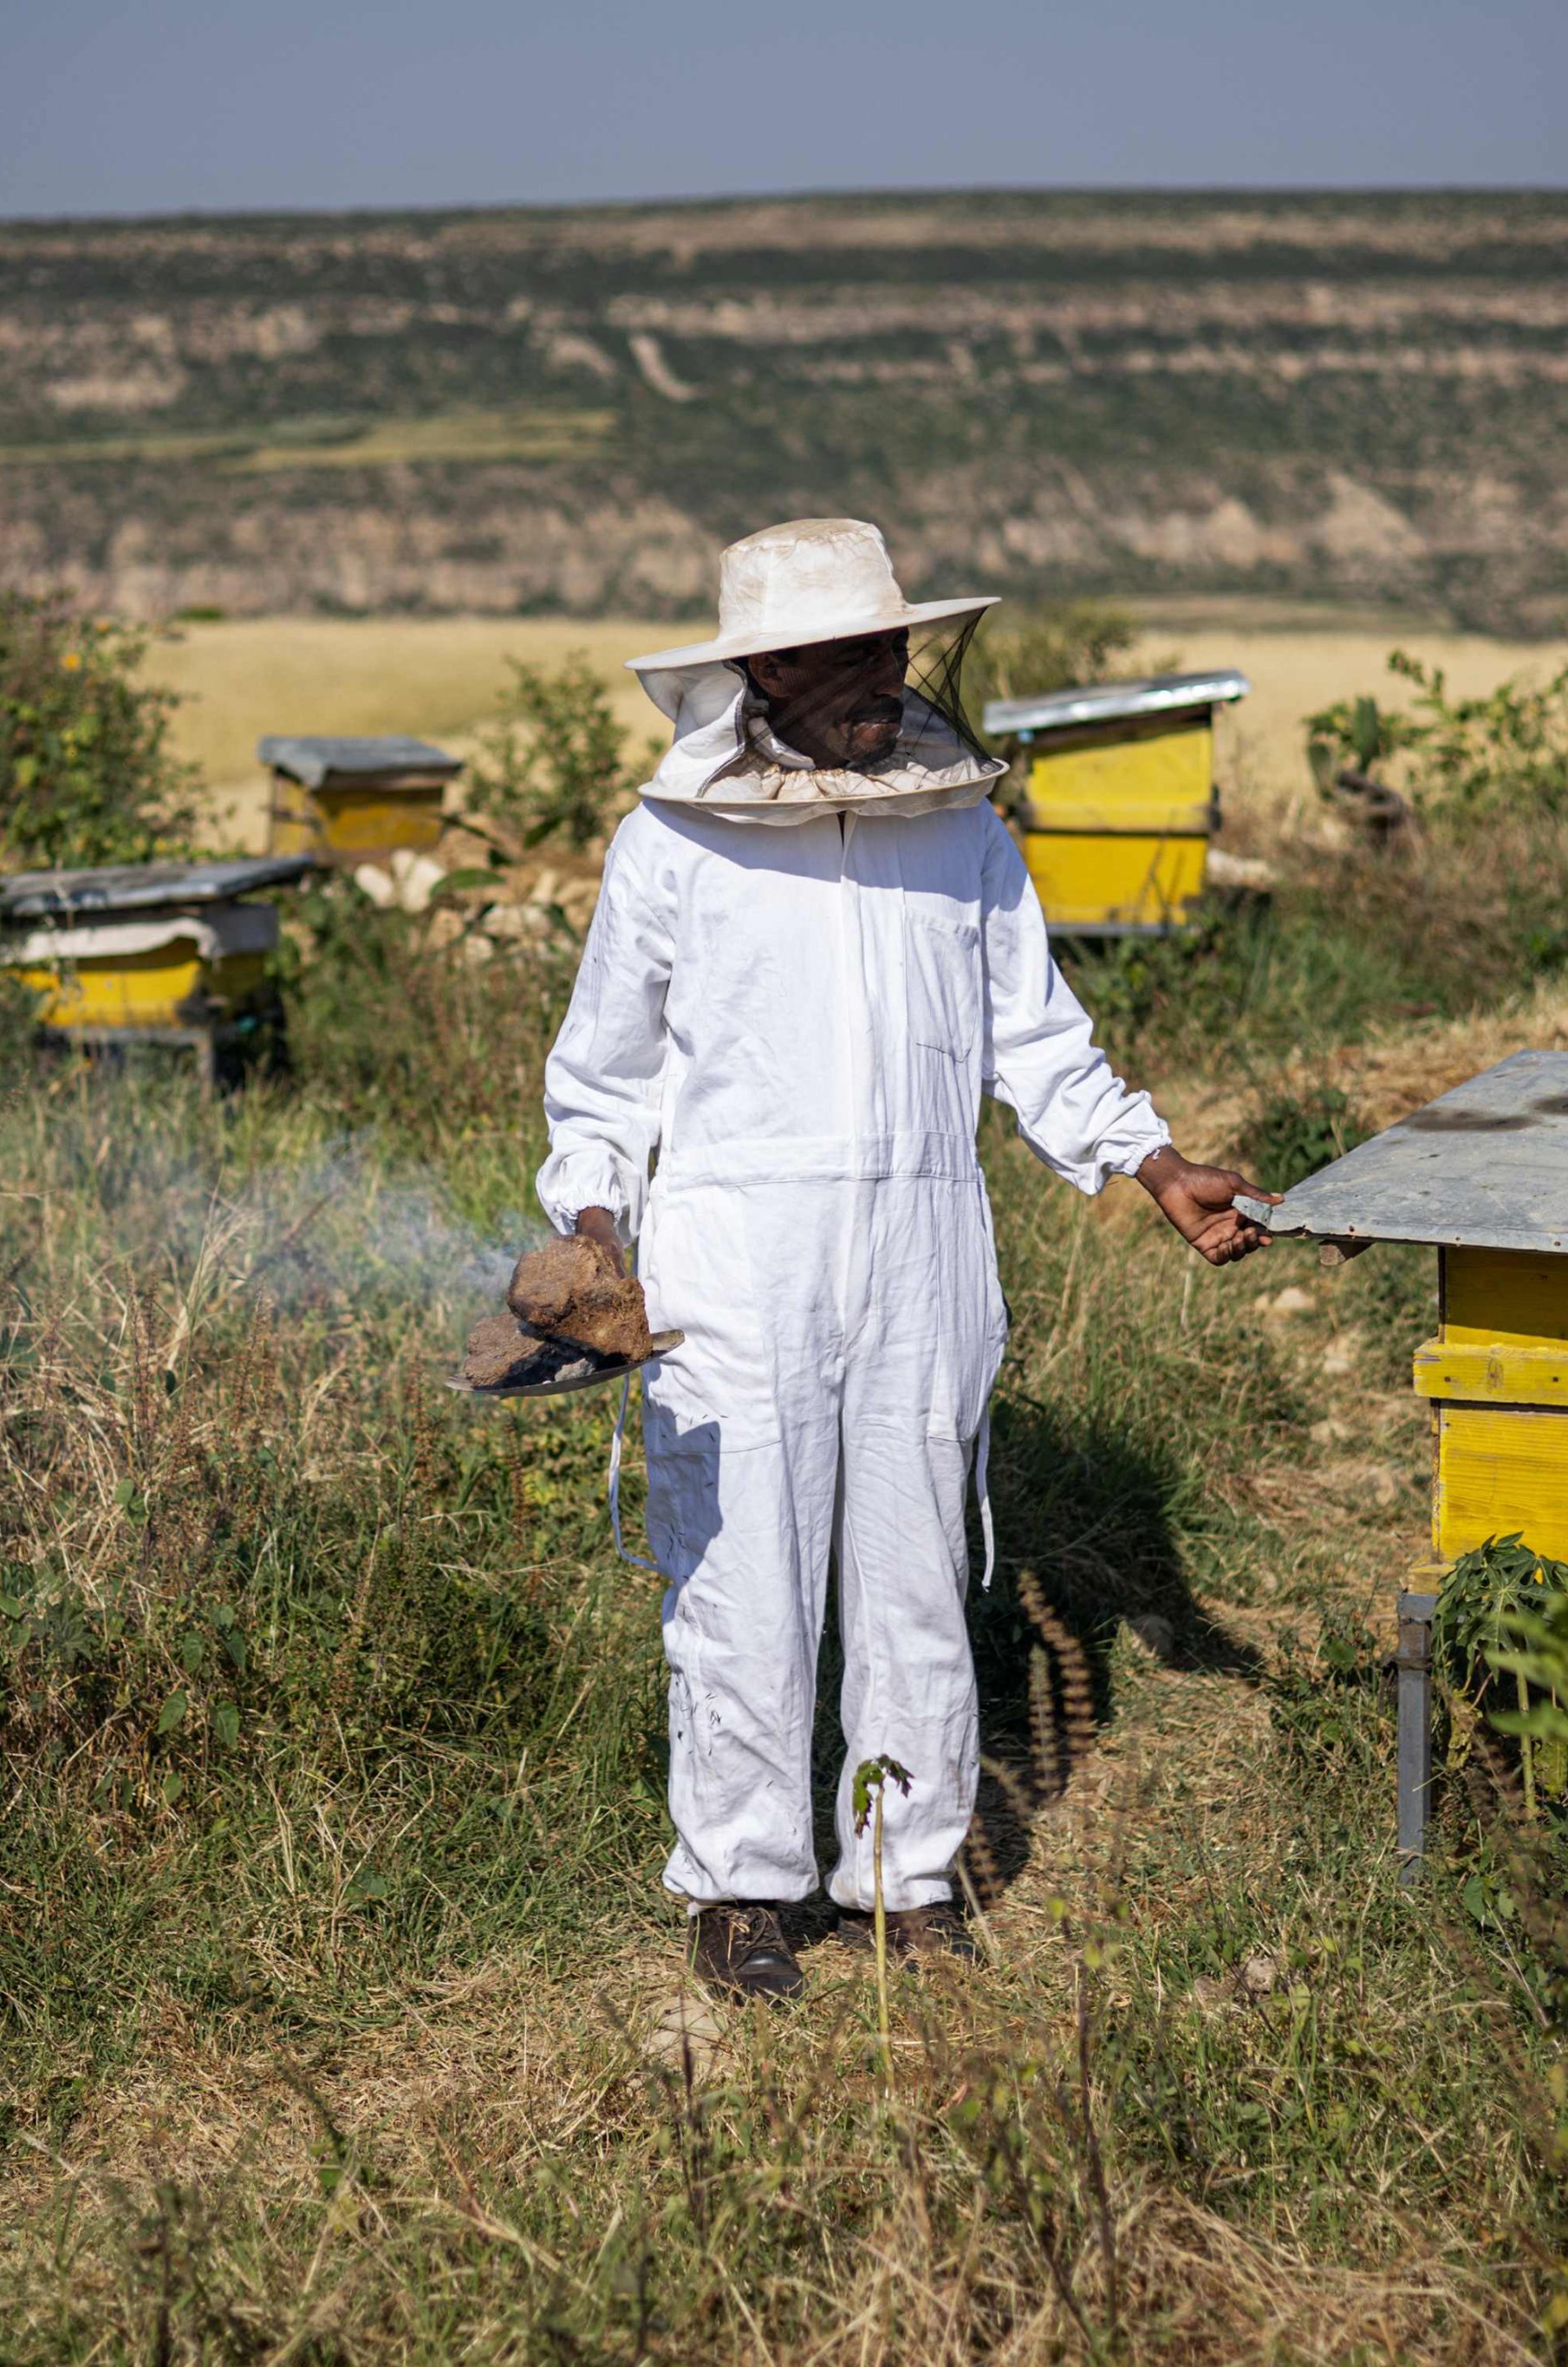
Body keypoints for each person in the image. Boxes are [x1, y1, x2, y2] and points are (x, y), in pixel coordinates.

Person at [537, 517, 1269, 2002]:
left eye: (891, 644)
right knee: (742, 1578)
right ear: (759, 671)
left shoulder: (962, 831)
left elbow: (1041, 1044)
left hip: (926, 1244)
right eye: (841, 652)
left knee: (917, 1573)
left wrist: (1154, 1163)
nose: (881, 672)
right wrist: (594, 1233)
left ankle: (902, 1877)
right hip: (734, 1258)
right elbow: (604, 1084)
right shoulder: (670, 844)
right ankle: (742, 1888)